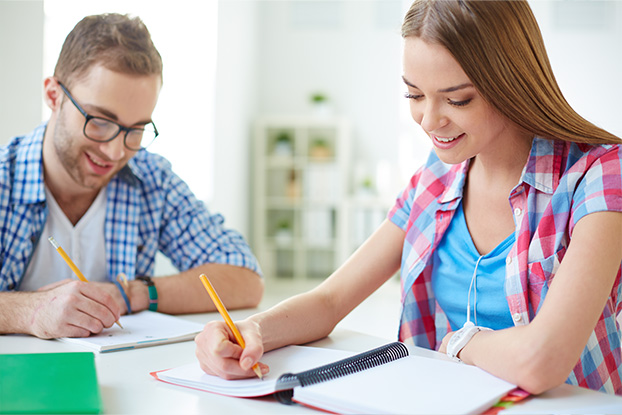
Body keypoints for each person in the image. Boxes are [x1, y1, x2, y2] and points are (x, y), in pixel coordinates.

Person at [195, 0, 622, 396]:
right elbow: (329, 301)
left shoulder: (598, 176)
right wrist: (251, 330)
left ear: (511, 82)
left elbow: (541, 361)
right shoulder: (436, 178)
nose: (429, 120)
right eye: (414, 95)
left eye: (457, 99)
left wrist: (462, 342)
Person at [0, 13, 263, 339]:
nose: (114, 152)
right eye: (99, 120)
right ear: (54, 96)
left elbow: (246, 279)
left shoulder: (151, 180)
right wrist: (31, 312)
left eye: (135, 129)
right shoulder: (4, 180)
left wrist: (129, 294)